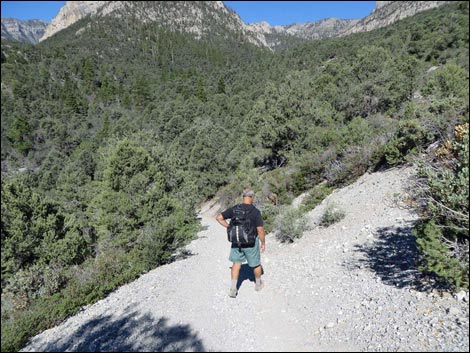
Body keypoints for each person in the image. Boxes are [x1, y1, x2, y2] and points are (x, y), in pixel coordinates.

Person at [216, 188, 266, 298]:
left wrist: (229, 227)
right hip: (251, 243)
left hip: (236, 242)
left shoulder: (235, 209)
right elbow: (260, 230)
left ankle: (233, 289)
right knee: (256, 264)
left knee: (236, 264)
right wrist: (263, 242)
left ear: (243, 196)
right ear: (252, 197)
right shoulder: (255, 212)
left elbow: (219, 217)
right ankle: (258, 285)